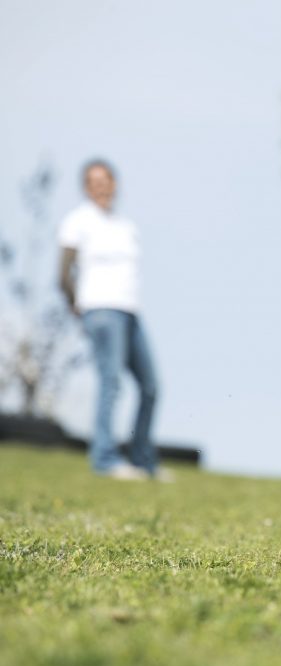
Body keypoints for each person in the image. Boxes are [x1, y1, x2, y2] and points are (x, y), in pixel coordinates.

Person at [58, 159, 170, 481]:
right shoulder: (77, 222)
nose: (101, 186)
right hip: (101, 310)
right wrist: (76, 304)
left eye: (105, 180)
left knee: (150, 386)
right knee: (111, 383)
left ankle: (142, 459)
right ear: (86, 188)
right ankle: (105, 459)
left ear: (115, 183)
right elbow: (63, 272)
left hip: (131, 311)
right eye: (93, 182)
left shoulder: (126, 226)